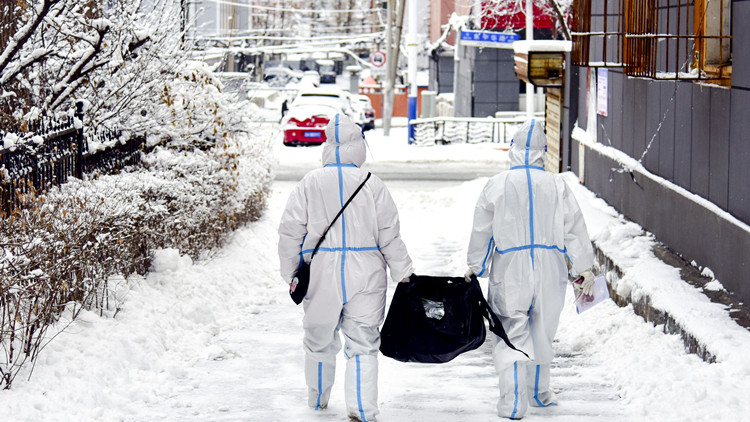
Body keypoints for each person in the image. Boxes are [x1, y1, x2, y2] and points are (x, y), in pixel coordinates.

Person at [278, 113, 414, 422]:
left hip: (321, 271)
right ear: (358, 146)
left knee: (318, 339)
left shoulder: (310, 182)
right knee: (363, 342)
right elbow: (389, 234)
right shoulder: (372, 184)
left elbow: (290, 231)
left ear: (328, 145)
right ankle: (363, 409)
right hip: (366, 272)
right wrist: (403, 272)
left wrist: (291, 272)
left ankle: (317, 401)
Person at [465, 119, 596, 420]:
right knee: (542, 331)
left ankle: (513, 402)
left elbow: (482, 230)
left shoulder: (497, 185)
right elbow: (574, 229)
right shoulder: (557, 185)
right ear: (542, 152)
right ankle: (539, 392)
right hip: (550, 268)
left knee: (511, 331)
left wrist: (477, 265)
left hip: (510, 266)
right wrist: (583, 268)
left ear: (514, 149)